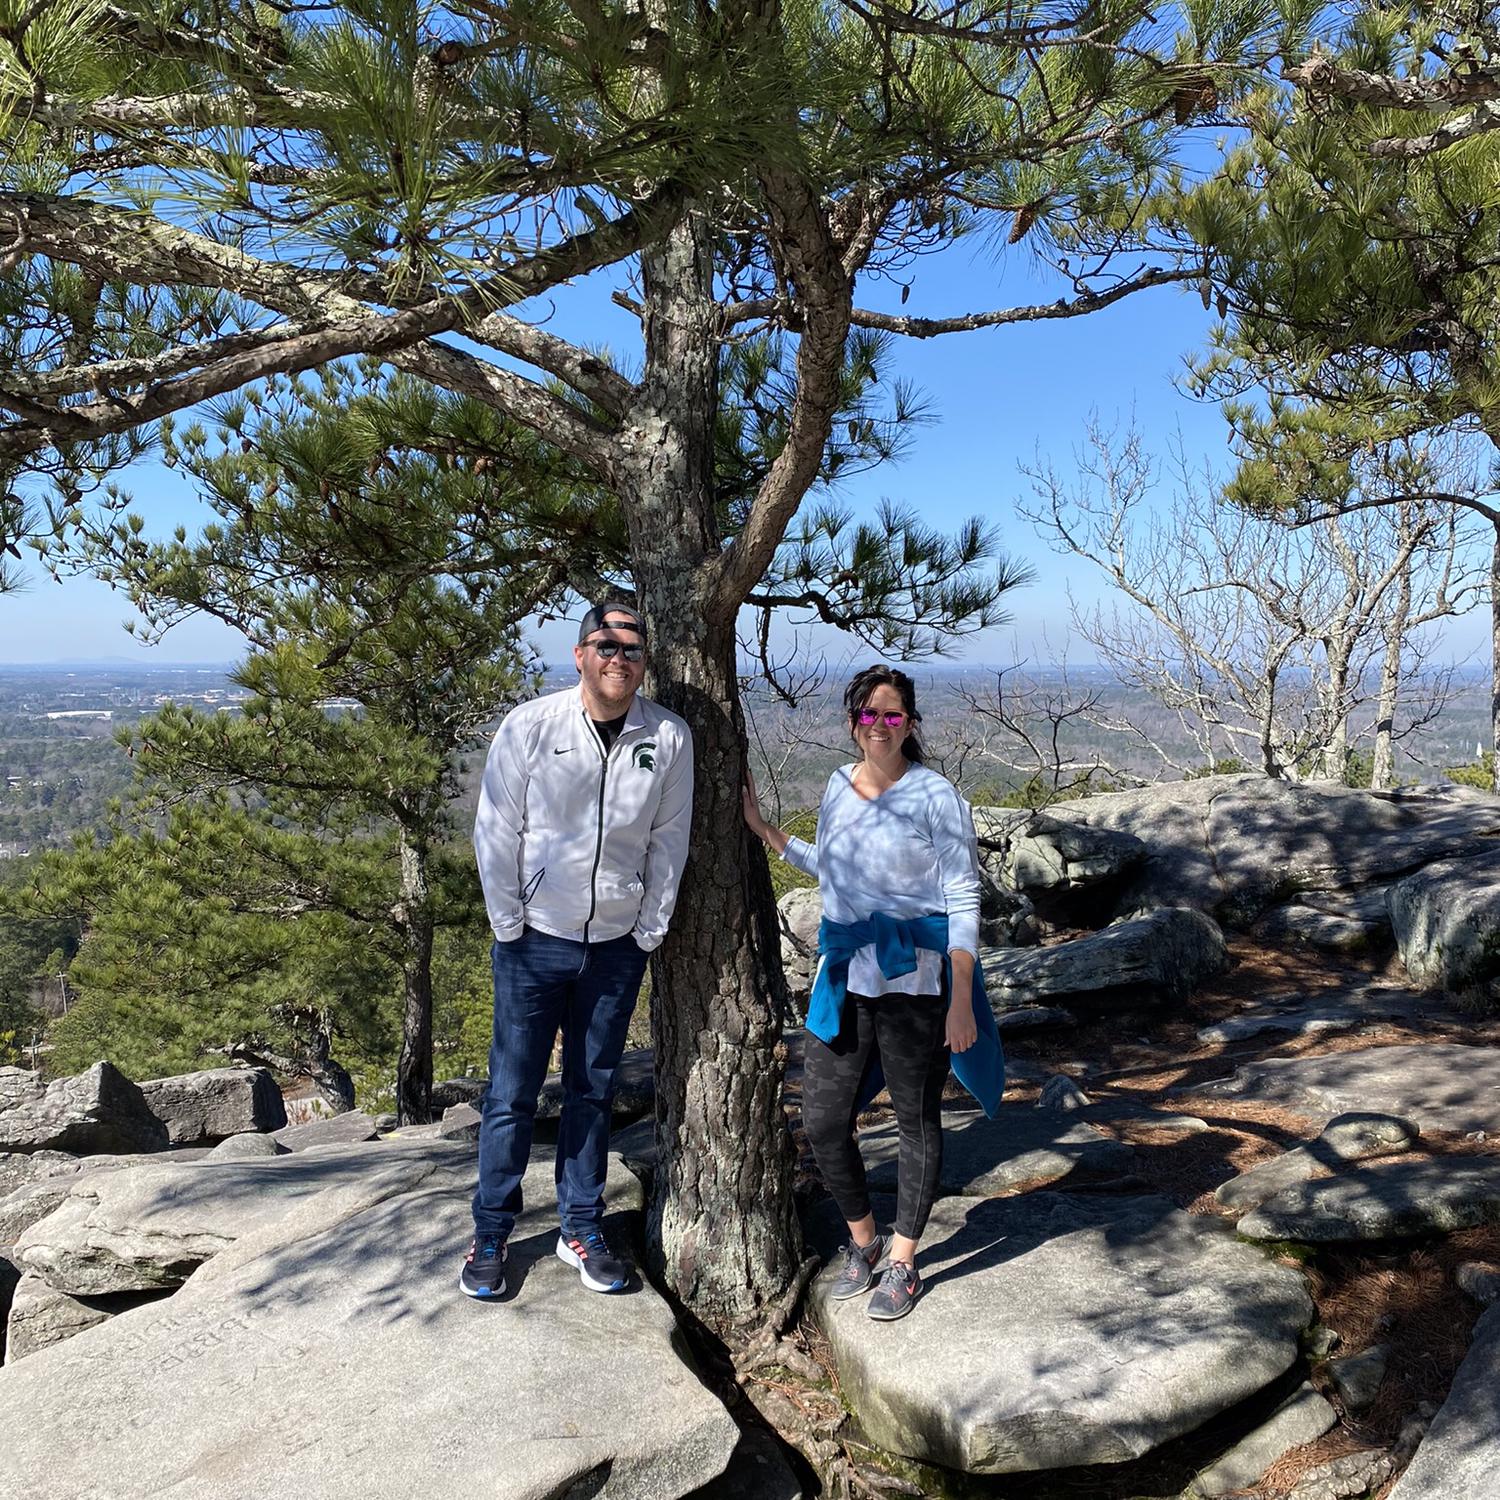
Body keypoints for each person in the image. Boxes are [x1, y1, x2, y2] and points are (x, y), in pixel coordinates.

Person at [743, 664, 1003, 1321]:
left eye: (892, 714)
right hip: (847, 974)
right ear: (853, 721)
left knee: (916, 1119)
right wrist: (770, 834)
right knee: (824, 1121)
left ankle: (904, 1262)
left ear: (910, 722)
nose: (880, 725)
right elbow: (835, 869)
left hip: (917, 980)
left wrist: (962, 997)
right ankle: (864, 1242)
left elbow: (962, 896)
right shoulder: (838, 784)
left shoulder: (936, 796)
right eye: (869, 714)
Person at [463, 602, 693, 1299]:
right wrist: (510, 924)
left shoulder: (668, 736)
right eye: (606, 644)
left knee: (592, 1091)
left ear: (644, 661)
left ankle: (581, 1227)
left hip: (617, 946)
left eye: (632, 648)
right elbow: (496, 829)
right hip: (534, 941)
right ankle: (491, 1232)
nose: (619, 658)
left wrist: (648, 930)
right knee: (511, 1094)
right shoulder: (532, 725)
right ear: (580, 654)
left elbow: (669, 839)